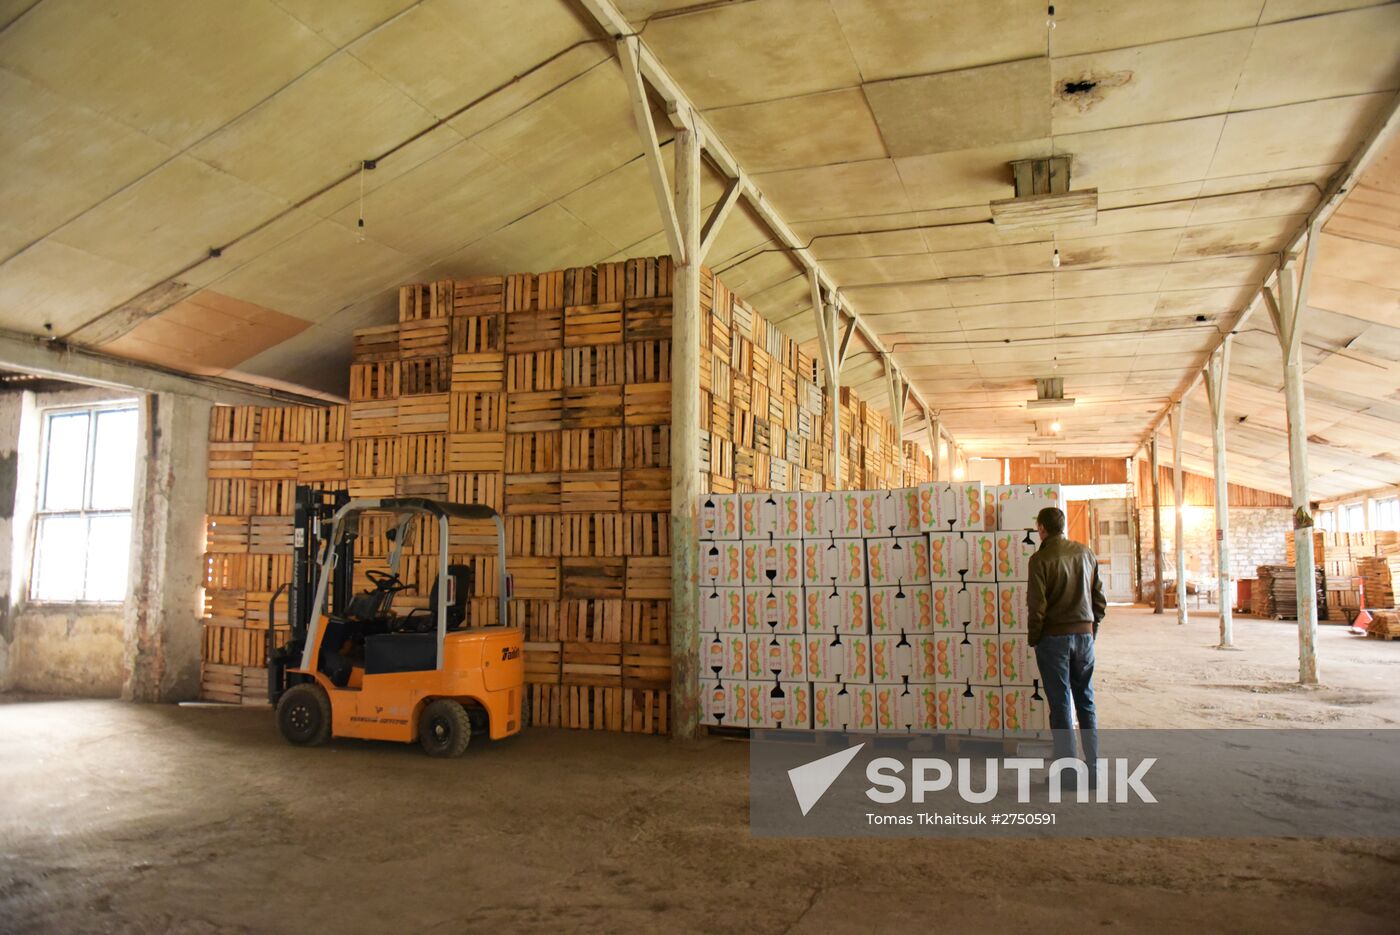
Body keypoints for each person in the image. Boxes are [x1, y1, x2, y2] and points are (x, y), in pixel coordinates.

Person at [1027, 506, 1105, 776]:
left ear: (1042, 528)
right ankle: (1093, 768)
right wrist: (1090, 631)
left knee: (1060, 706)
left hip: (1053, 639)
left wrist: (1035, 638)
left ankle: (1068, 773)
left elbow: (1037, 607)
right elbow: (1099, 601)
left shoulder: (1040, 559)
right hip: (1084, 637)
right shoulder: (1086, 553)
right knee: (1086, 700)